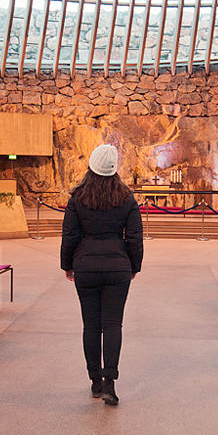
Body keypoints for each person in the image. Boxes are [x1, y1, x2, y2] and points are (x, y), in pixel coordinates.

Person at [61, 144, 143, 406]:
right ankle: (110, 382)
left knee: (91, 325)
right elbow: (135, 238)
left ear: (91, 167)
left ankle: (95, 380)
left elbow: (70, 236)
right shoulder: (127, 199)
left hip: (85, 266)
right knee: (112, 324)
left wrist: (67, 266)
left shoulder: (77, 199)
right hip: (118, 267)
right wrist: (134, 266)